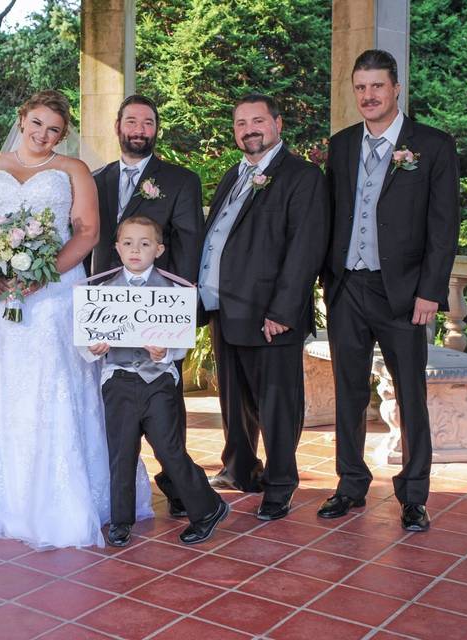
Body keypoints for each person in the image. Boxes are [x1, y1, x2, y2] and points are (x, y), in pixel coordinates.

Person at [0, 90, 153, 549]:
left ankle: (62, 500)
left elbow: (87, 232)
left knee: (53, 384)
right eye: (36, 123)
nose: (43, 135)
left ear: (63, 135)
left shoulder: (73, 170)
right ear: (22, 119)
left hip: (55, 296)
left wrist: (42, 274)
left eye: (53, 129)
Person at [320, 49, 460, 531]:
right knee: (349, 393)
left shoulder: (433, 146)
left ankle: (414, 494)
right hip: (347, 289)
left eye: (377, 86)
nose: (368, 96)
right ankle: (349, 485)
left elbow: (444, 227)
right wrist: (326, 283)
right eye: (360, 87)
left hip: (403, 294)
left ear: (396, 88)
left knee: (410, 394)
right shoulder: (340, 147)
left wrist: (430, 291)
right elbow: (331, 219)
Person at [197, 94, 329, 520]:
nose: (249, 129)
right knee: (235, 400)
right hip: (224, 306)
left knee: (277, 401)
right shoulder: (231, 176)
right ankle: (239, 468)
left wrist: (284, 311)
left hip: (268, 312)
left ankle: (280, 483)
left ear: (277, 124)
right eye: (240, 123)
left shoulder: (301, 176)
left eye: (258, 121)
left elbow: (305, 249)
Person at [89, 94, 204, 518]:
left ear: (157, 130)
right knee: (117, 402)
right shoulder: (95, 180)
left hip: (159, 304)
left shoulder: (180, 179)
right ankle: (121, 490)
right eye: (131, 121)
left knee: (165, 402)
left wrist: (178, 314)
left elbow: (189, 246)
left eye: (148, 123)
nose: (139, 130)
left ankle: (177, 487)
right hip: (109, 304)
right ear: (117, 126)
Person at [85, 216, 227, 547]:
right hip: (118, 380)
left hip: (158, 382)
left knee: (169, 449)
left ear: (159, 250)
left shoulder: (173, 291)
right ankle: (122, 520)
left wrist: (165, 352)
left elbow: (179, 342)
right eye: (129, 243)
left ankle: (207, 508)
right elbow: (86, 341)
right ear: (117, 248)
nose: (136, 250)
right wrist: (93, 348)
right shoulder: (100, 291)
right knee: (121, 452)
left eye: (145, 244)